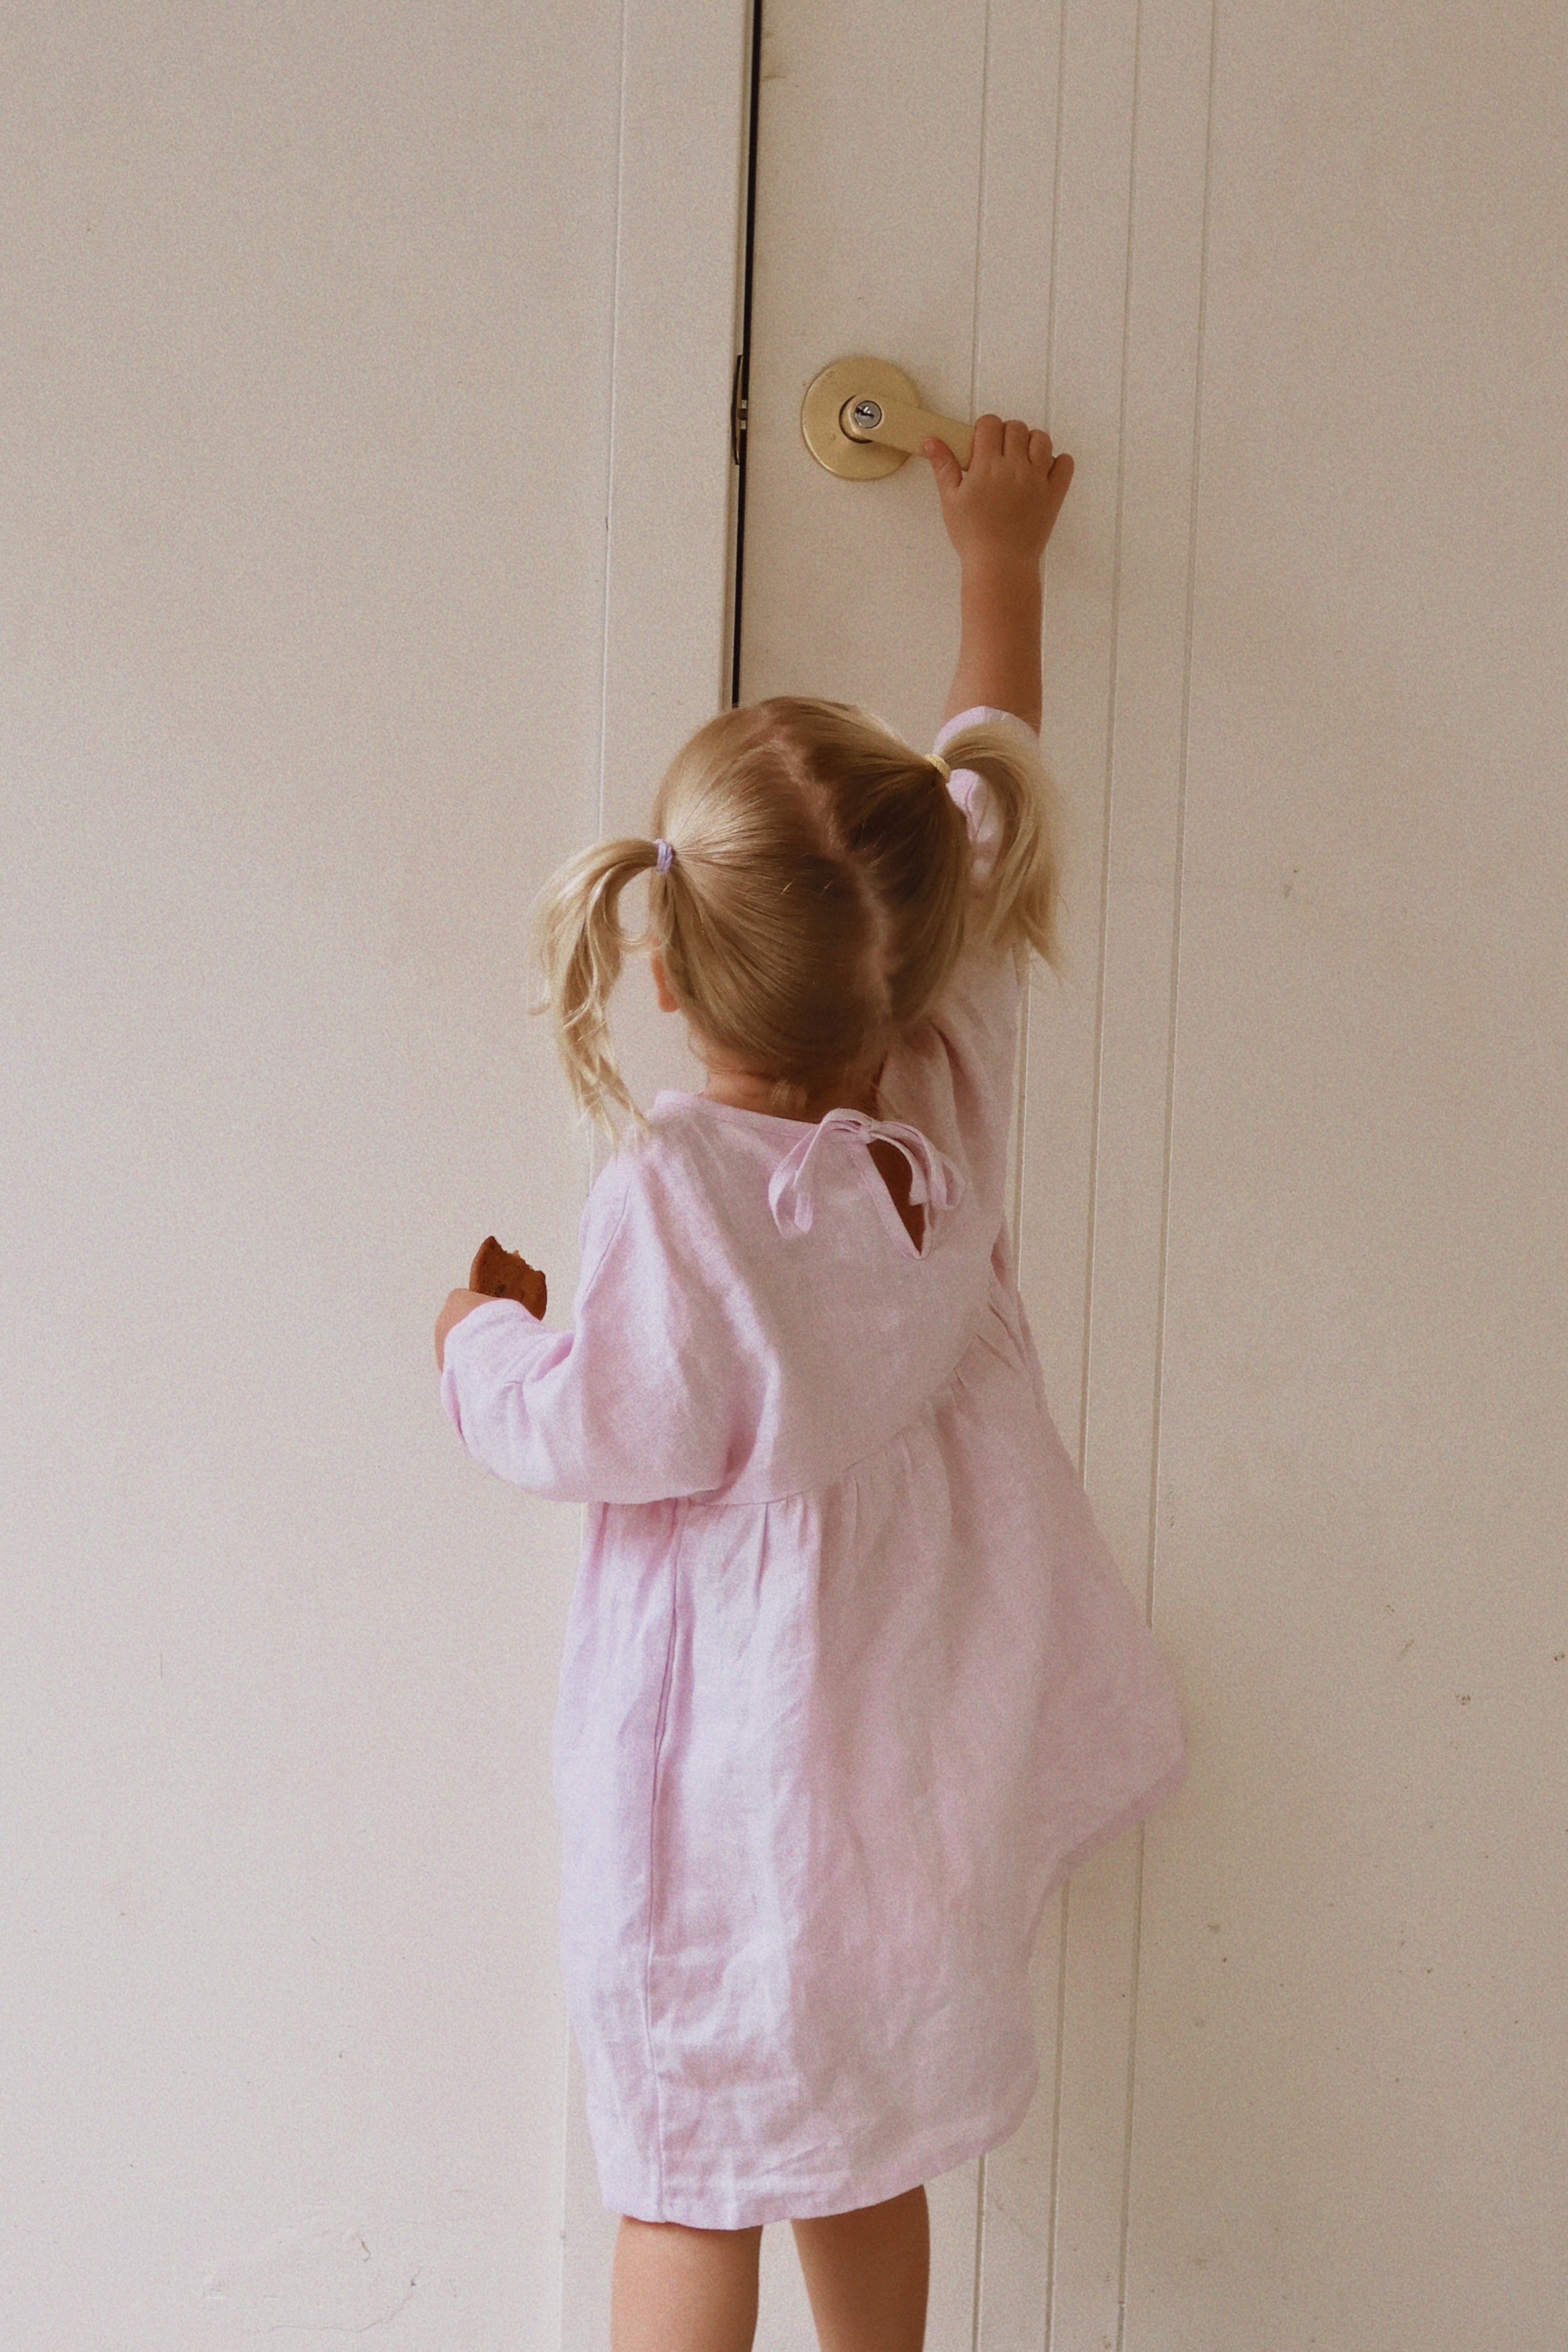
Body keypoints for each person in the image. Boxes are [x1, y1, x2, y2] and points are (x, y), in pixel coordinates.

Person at [434, 417, 1186, 2352]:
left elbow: (599, 1422)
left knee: (687, 2164)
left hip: (713, 1770)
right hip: (892, 1744)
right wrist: (996, 568)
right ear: (916, 938)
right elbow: (980, 800)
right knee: (862, 2146)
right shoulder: (944, 1061)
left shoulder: (677, 1197)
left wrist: (480, 1341)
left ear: (666, 977)